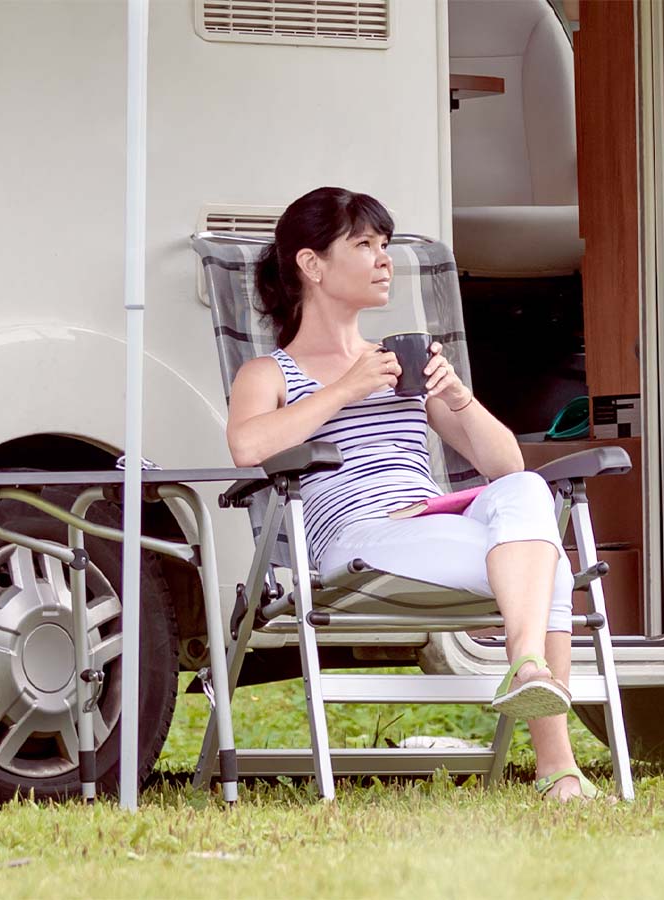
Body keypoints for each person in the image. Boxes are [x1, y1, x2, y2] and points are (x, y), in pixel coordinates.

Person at [226, 186, 597, 801]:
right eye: (364, 245)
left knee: (529, 490)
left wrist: (457, 398)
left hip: (440, 522)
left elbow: (504, 464)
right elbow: (248, 447)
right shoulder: (269, 373)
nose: (383, 260)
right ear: (312, 265)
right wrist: (345, 388)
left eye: (386, 245)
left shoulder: (400, 364)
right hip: (362, 543)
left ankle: (526, 661)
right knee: (550, 569)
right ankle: (557, 768)